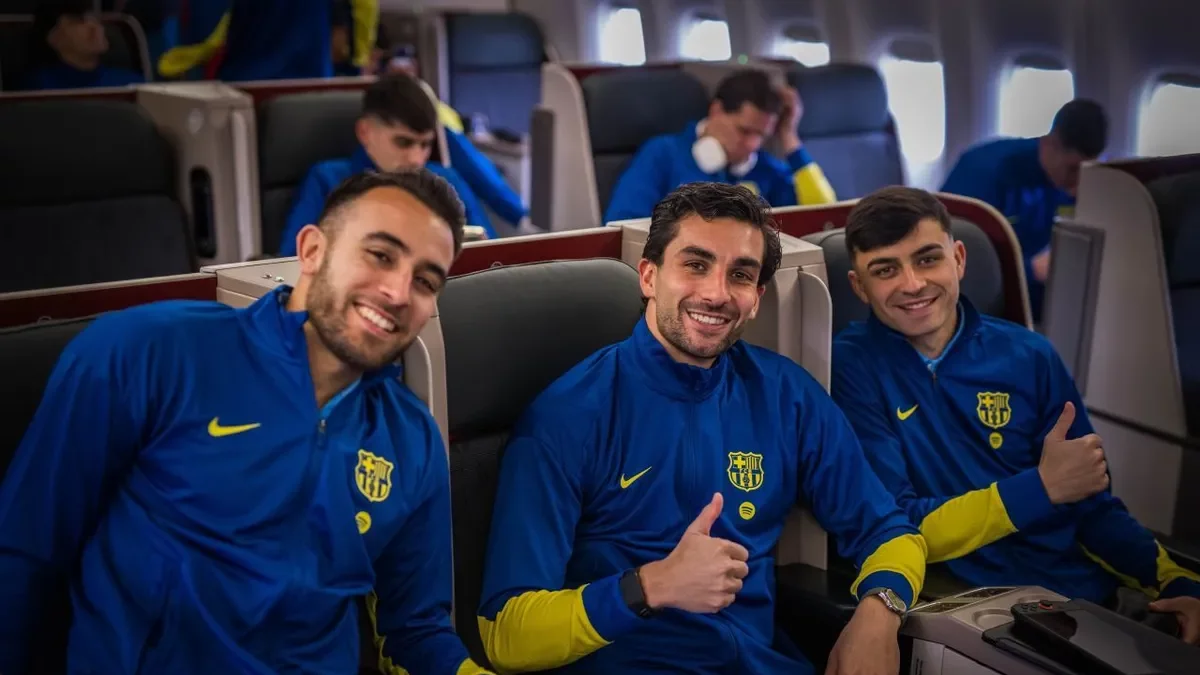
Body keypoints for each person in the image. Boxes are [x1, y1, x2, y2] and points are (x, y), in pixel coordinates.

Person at [0, 170, 493, 674]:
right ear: (312, 251)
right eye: (381, 255)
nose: (397, 291)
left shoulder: (412, 440)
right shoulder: (148, 353)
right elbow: (24, 557)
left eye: (426, 280)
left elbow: (415, 631)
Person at [477, 182, 928, 675]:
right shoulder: (569, 416)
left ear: (756, 298)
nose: (716, 293)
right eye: (695, 265)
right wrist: (652, 586)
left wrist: (880, 612)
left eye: (739, 275)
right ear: (649, 276)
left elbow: (890, 530)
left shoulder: (785, 395)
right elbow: (506, 633)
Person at [829, 186, 1200, 644]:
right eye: (885, 270)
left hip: (1088, 595)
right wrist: (1040, 488)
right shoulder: (848, 368)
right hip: (985, 613)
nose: (911, 283)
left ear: (959, 259)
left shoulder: (1030, 355)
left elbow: (1092, 509)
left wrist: (1175, 581)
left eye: (928, 259)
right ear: (859, 287)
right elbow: (900, 524)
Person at [278, 73, 494, 256]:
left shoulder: (447, 180)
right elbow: (292, 262)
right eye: (403, 142)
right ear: (365, 132)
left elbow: (490, 251)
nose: (416, 159)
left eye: (425, 145)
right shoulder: (326, 180)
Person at [939, 99, 1107, 323]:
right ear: (1050, 144)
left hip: (1037, 299)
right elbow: (952, 256)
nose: (1077, 182)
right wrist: (1031, 270)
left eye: (1086, 171)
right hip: (980, 303)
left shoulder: (1070, 183)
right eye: (1073, 169)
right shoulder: (985, 172)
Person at [603, 69, 837, 224]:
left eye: (761, 136)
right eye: (744, 130)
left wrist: (789, 136)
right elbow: (623, 223)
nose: (752, 144)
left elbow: (823, 213)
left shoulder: (766, 169)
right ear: (717, 111)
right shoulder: (663, 154)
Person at [24, 0, 146, 90]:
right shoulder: (38, 88)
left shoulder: (132, 84)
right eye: (78, 21)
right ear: (53, 38)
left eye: (93, 18)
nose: (94, 26)